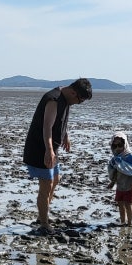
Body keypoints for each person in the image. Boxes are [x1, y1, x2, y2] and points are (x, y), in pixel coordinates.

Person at [23, 78, 92, 232]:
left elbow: (60, 120)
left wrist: (65, 135)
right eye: (80, 101)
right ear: (73, 92)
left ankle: (43, 215)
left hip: (51, 148)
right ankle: (44, 223)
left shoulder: (66, 99)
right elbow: (47, 127)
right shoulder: (53, 100)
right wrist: (49, 151)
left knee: (55, 179)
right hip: (40, 149)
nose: (78, 103)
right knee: (46, 185)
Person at [106, 131, 132, 226]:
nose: (117, 148)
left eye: (120, 145)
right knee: (120, 204)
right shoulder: (116, 159)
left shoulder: (131, 157)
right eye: (115, 146)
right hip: (120, 186)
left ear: (125, 144)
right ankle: (122, 222)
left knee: (128, 205)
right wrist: (112, 182)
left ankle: (129, 223)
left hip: (130, 186)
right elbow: (115, 172)